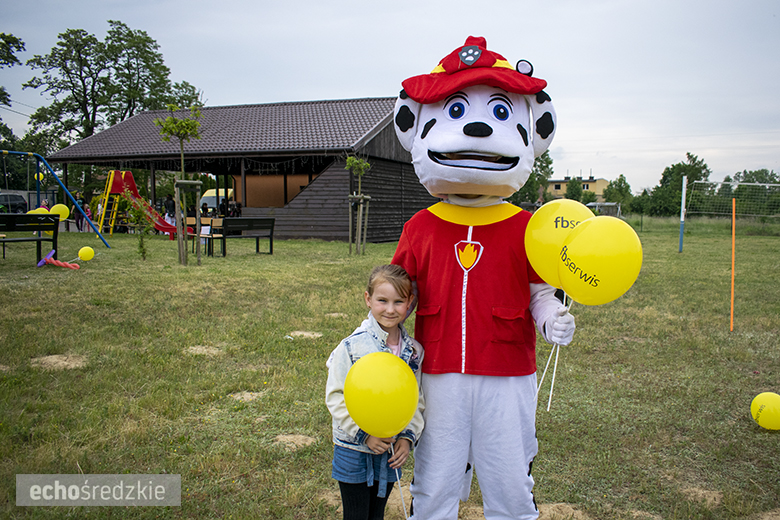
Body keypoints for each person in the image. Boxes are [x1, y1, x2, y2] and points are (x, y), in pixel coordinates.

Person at [391, 37, 576, 519]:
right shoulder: (421, 226)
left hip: (509, 371)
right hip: (438, 371)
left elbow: (538, 292)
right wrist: (384, 342)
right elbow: (396, 297)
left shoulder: (527, 227)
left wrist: (550, 314)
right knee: (436, 473)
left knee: (508, 472)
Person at [325, 265, 425, 520]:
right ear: (368, 299)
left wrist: (408, 437)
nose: (390, 309)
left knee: (376, 515)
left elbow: (416, 399)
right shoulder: (351, 347)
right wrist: (363, 434)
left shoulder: (414, 352)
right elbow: (336, 396)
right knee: (357, 515)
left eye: (398, 301)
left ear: (409, 302)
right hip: (353, 448)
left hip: (390, 452)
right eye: (382, 300)